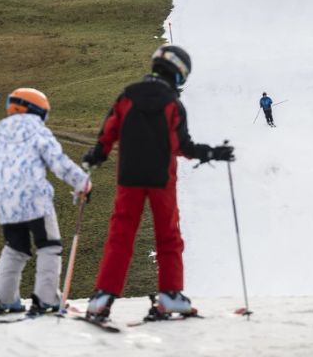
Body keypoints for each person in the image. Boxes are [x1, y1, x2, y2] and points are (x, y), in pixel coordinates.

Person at [82, 46, 235, 323]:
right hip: (161, 179)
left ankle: (102, 297)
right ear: (177, 74)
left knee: (121, 234)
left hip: (129, 177)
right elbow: (183, 146)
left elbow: (108, 132)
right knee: (168, 236)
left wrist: (97, 156)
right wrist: (213, 153)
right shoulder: (172, 104)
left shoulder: (127, 95)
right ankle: (170, 295)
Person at [0, 88, 92, 317]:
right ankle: (46, 298)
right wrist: (82, 183)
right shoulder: (38, 132)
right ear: (36, 110)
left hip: (6, 204)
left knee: (14, 248)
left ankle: (3, 300)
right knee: (49, 246)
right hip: (35, 201)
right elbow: (58, 162)